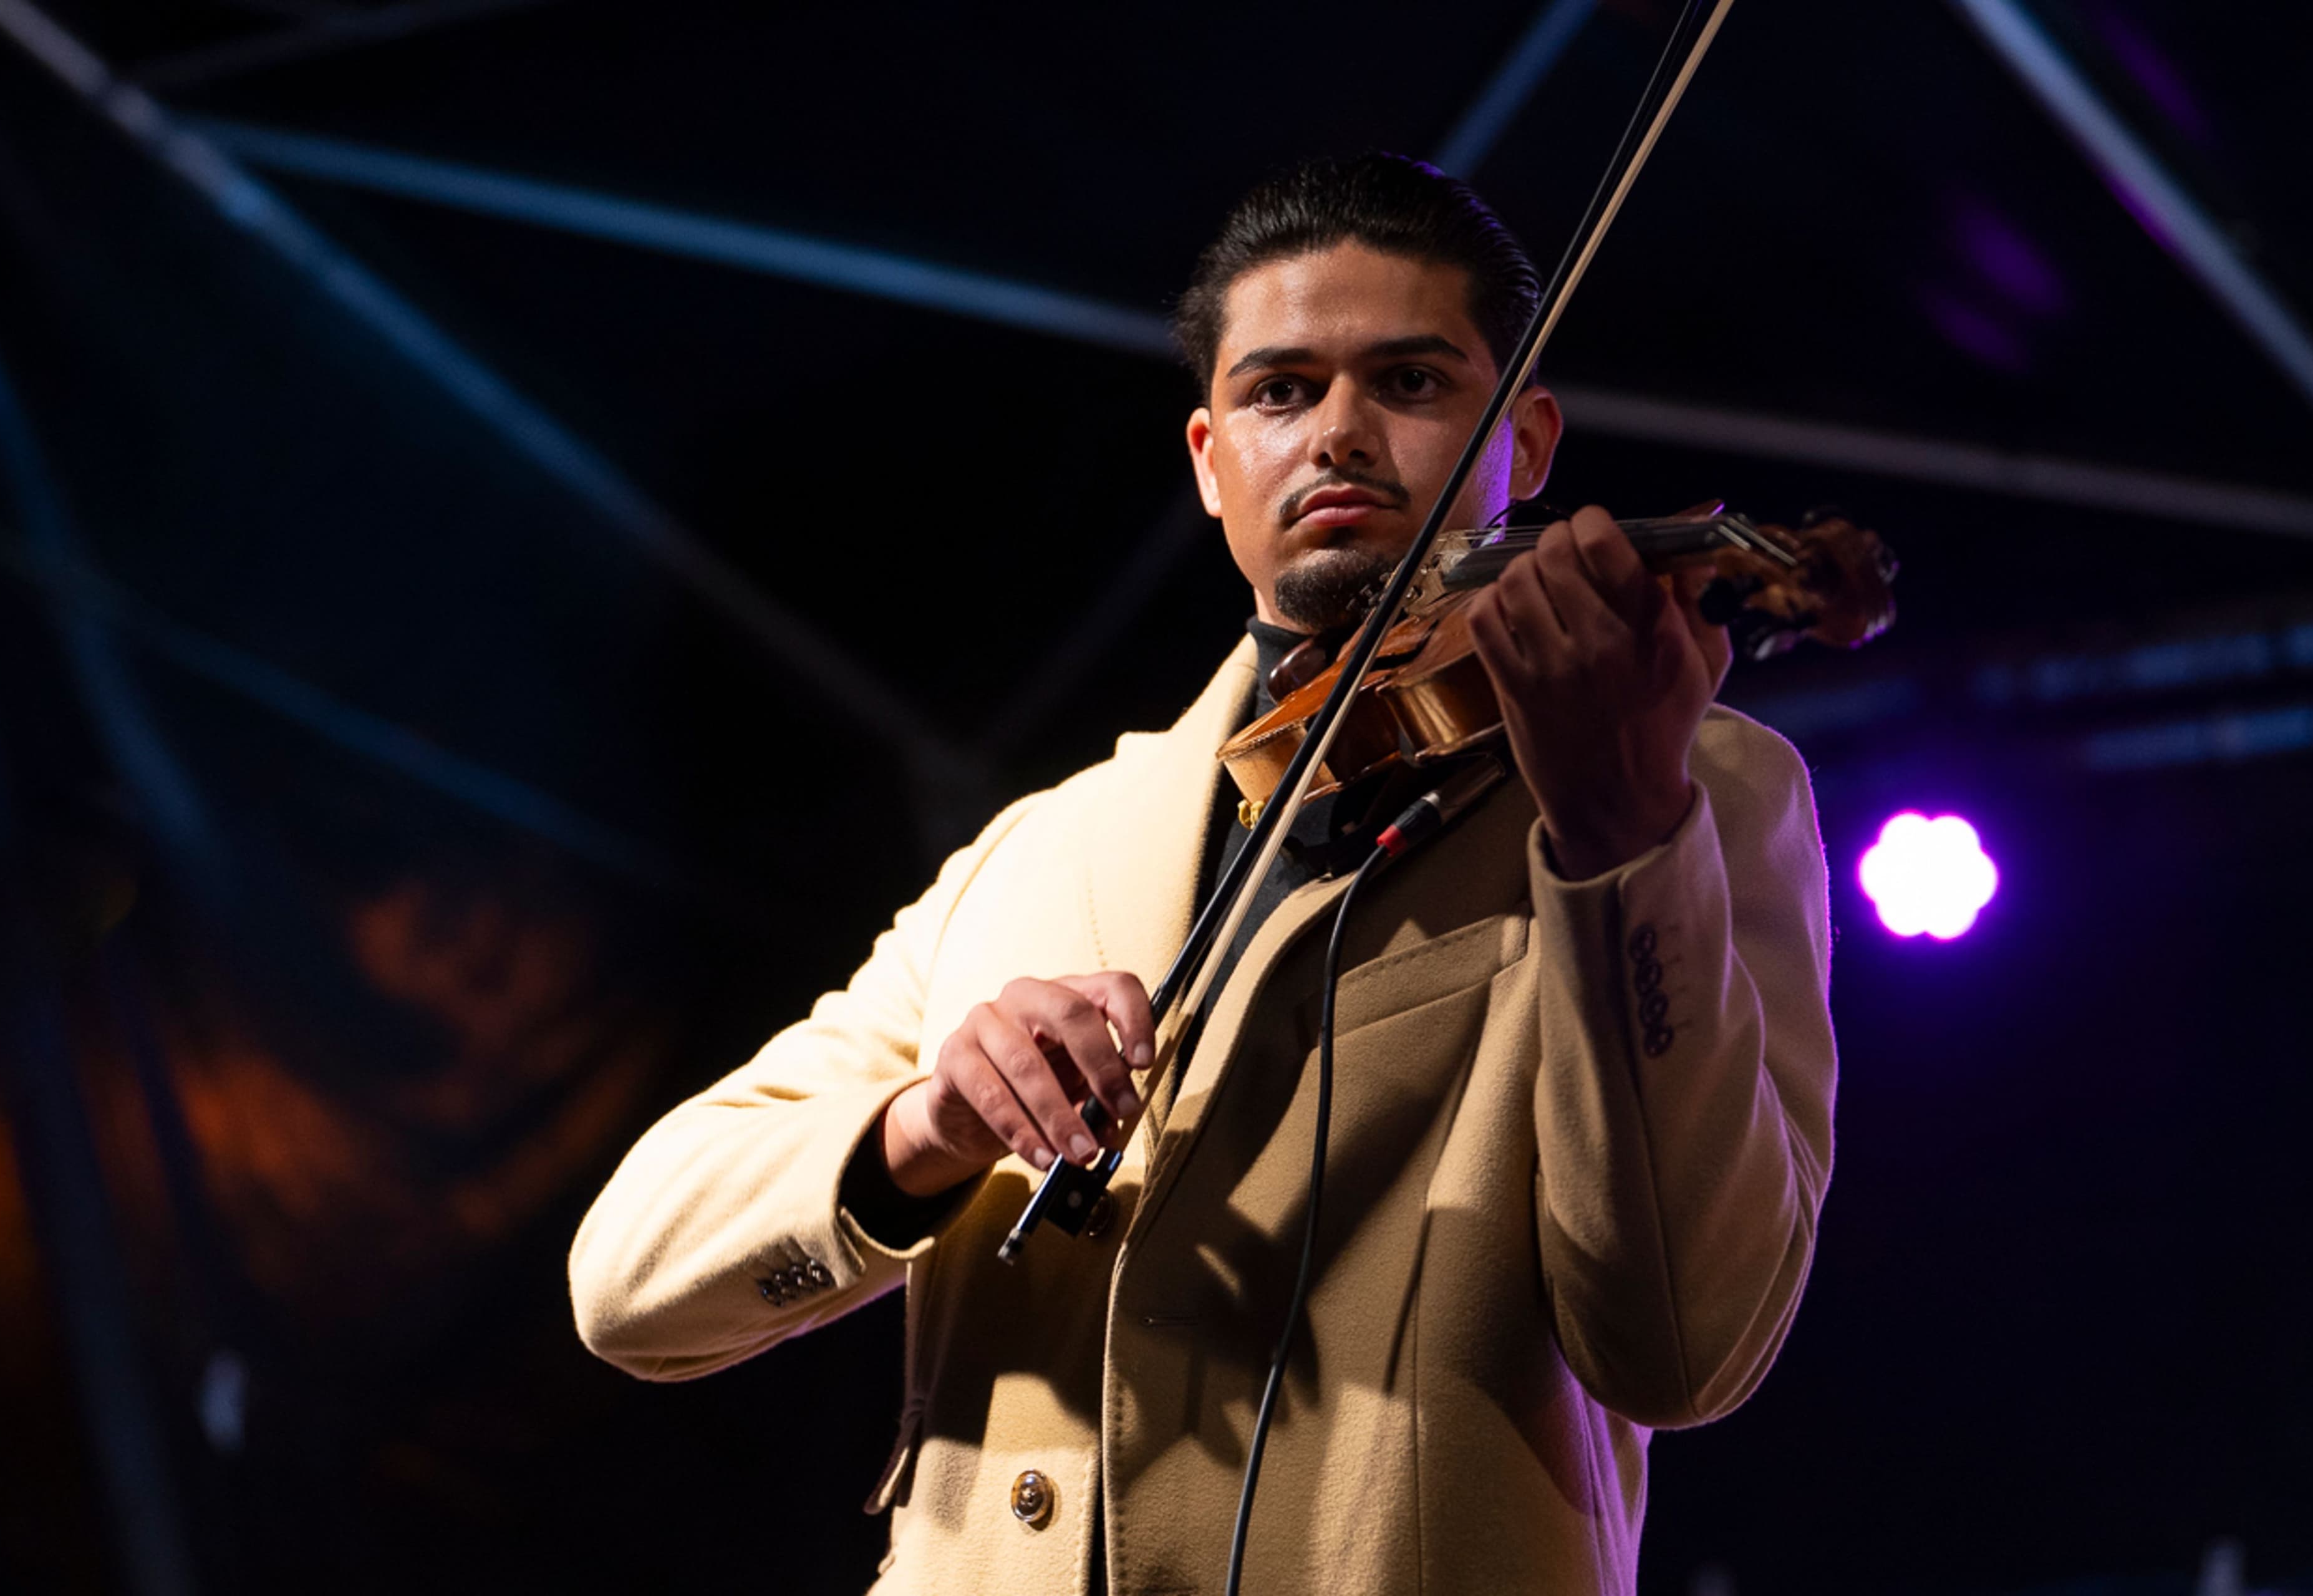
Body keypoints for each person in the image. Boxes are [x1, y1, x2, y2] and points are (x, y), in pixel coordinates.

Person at [569, 153, 1837, 1595]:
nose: (1341, 436)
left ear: (1525, 443)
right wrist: (927, 1124)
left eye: (1413, 383)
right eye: (1281, 391)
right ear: (1208, 453)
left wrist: (1620, 843)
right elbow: (624, 1286)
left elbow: (1684, 1342)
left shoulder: (1691, 795)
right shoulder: (1040, 848)